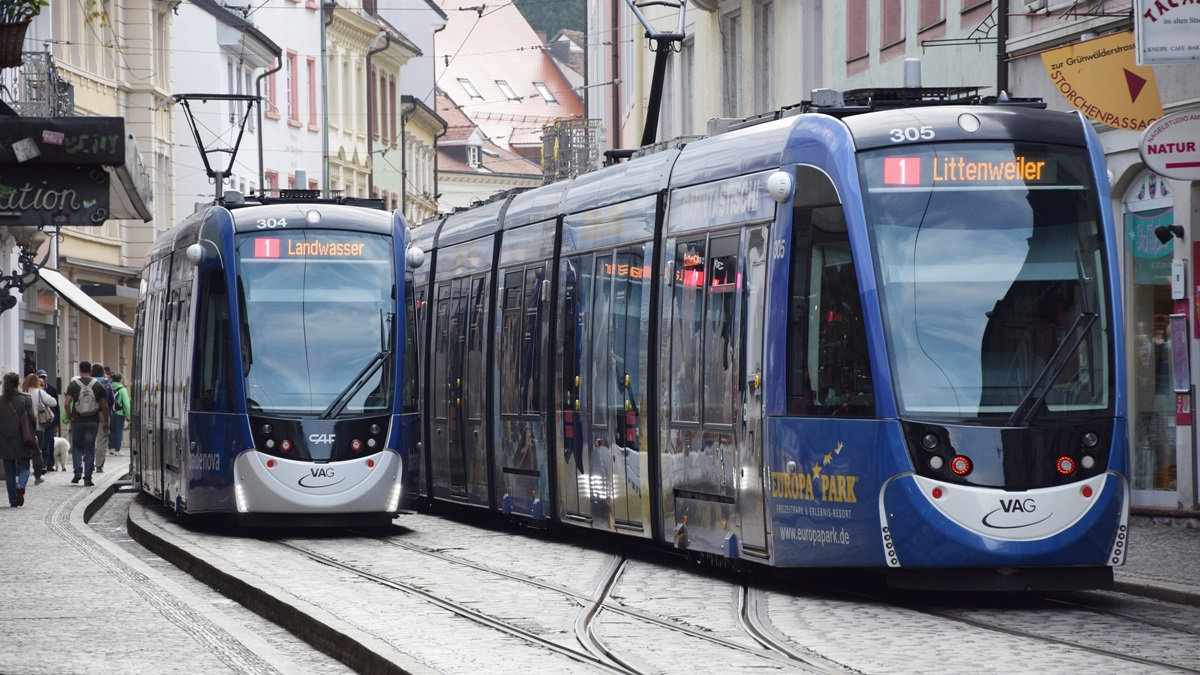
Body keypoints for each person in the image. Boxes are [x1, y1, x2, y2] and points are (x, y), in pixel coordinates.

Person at [63, 361, 109, 487]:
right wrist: (105, 421)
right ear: (91, 370)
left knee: (77, 447)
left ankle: (77, 471)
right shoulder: (98, 385)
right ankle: (87, 478)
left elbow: (67, 404)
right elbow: (104, 406)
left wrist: (70, 417)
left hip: (77, 421)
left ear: (80, 370)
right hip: (92, 421)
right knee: (89, 450)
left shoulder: (73, 385)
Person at [1, 372, 39, 507]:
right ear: (18, 383)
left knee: (9, 470)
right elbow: (32, 420)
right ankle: (21, 485)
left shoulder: (1, 401)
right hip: (22, 438)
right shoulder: (25, 399)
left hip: (5, 440)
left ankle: (13, 499)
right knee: (24, 466)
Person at [20, 373, 54, 485]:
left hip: (22, 427)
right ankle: (37, 476)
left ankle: (22, 473)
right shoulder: (39, 392)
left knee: (23, 452)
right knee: (37, 452)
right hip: (38, 426)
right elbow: (53, 402)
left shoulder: (21, 392)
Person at [91, 363, 113, 473]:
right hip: (102, 413)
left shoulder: (85, 382)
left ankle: (89, 464)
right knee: (101, 440)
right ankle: (99, 466)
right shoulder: (105, 382)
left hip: (87, 414)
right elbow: (112, 399)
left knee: (89, 439)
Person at [36, 370, 61, 472]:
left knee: (50, 441)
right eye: (40, 377)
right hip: (38, 421)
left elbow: (56, 406)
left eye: (44, 377)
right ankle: (41, 464)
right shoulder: (34, 391)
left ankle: (49, 464)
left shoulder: (51, 389)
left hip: (49, 420)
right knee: (40, 444)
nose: (42, 379)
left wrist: (57, 423)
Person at [108, 372, 130, 458]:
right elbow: (126, 404)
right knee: (118, 431)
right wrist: (129, 416)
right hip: (120, 413)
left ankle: (112, 448)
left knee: (112, 430)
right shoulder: (122, 389)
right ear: (120, 380)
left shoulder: (108, 387)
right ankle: (118, 450)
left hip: (110, 412)